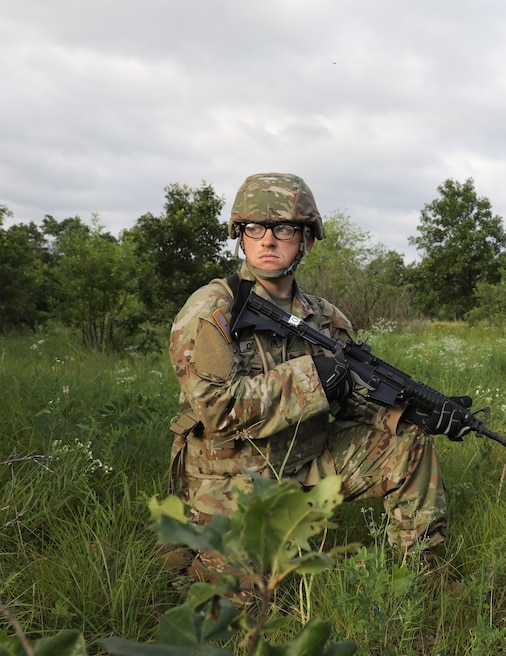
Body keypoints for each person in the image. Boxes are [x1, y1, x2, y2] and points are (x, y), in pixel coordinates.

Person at [168, 172, 458, 589]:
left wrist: (411, 411)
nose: (267, 240)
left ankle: (420, 581)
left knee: (410, 439)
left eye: (283, 228)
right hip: (234, 477)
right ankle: (196, 556)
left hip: (307, 462)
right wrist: (310, 378)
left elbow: (351, 396)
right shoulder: (212, 310)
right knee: (234, 613)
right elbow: (217, 410)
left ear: (306, 240)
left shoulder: (325, 316)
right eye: (254, 228)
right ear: (241, 237)